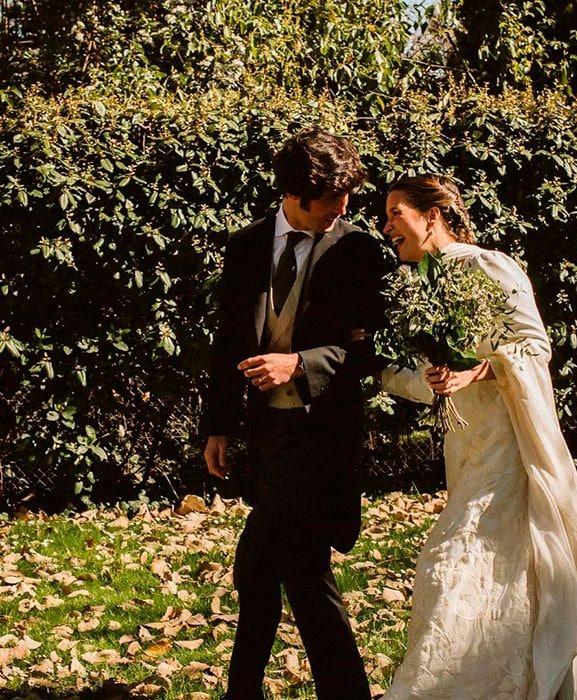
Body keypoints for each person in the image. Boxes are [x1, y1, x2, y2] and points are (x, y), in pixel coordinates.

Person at [378, 174, 577, 699]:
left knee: (449, 561)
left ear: (431, 216)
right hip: (467, 448)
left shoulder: (489, 265)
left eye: (396, 213)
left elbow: (534, 345)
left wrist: (480, 370)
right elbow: (425, 380)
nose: (386, 225)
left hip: (509, 446)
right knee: (502, 568)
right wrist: (387, 374)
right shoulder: (421, 287)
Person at [202, 128, 389, 700]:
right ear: (298, 194)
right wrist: (218, 424)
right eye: (335, 197)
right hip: (266, 431)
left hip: (321, 431)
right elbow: (229, 337)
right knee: (305, 576)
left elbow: (368, 351)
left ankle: (241, 692)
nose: (345, 207)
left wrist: (298, 364)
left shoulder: (359, 250)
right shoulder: (246, 246)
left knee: (256, 562)